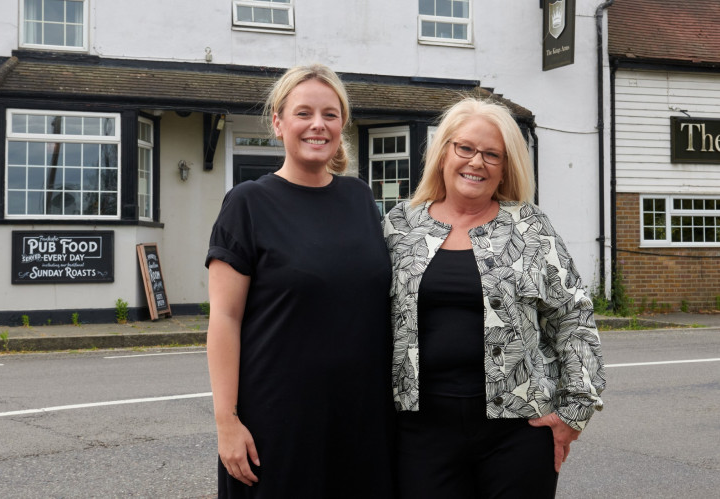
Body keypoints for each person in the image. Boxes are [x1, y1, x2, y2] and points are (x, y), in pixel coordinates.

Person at [383, 97, 606, 498]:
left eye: (492, 155)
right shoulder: (401, 226)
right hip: (421, 431)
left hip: (517, 432)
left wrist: (575, 412)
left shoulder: (530, 228)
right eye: (465, 148)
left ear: (505, 168)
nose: (476, 162)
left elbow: (573, 316)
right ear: (443, 152)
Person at [205, 64, 394, 498]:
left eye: (330, 114)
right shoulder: (247, 203)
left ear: (342, 124)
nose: (317, 124)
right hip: (279, 423)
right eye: (303, 112)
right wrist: (226, 421)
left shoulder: (360, 199)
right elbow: (225, 319)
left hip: (362, 422)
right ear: (278, 121)